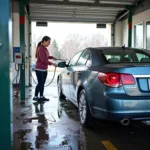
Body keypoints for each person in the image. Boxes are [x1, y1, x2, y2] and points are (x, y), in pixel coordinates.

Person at [33, 36, 58, 101]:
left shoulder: (44, 48)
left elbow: (46, 56)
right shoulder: (40, 49)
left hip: (44, 69)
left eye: (49, 42)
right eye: (48, 42)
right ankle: (35, 96)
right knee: (40, 83)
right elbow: (43, 60)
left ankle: (41, 96)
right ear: (44, 41)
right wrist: (52, 64)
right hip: (39, 69)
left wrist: (52, 57)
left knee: (42, 83)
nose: (49, 44)